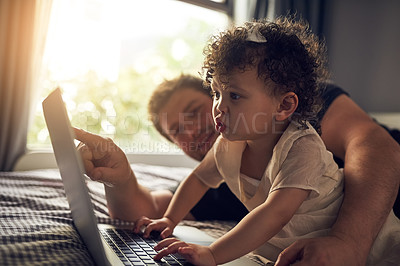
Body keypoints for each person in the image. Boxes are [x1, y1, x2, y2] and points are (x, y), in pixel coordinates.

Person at [73, 23, 400, 266]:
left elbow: (275, 213)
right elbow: (197, 180)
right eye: (216, 93)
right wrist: (167, 218)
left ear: (284, 106)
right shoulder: (231, 144)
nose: (219, 107)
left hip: (378, 246)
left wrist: (213, 253)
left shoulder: (303, 143)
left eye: (234, 95)